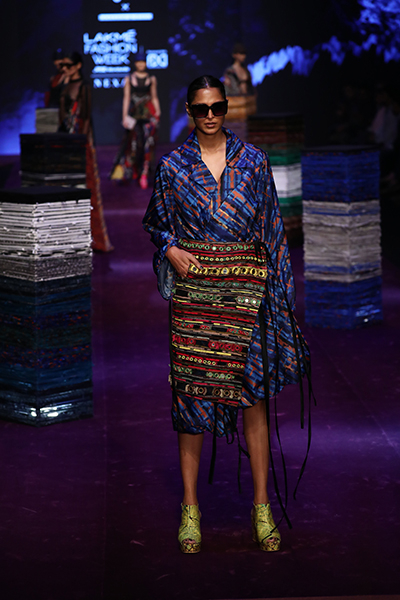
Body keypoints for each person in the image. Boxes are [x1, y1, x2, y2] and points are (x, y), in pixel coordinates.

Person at [142, 75, 311, 554]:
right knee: (191, 398)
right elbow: (157, 221)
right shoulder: (173, 166)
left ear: (227, 106)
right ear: (189, 112)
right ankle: (190, 507)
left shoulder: (253, 161)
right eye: (201, 109)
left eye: (217, 106)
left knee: (253, 395)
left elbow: (273, 230)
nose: (211, 116)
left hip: (248, 294)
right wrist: (169, 247)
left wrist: (280, 299)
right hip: (195, 294)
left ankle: (262, 507)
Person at [59, 51, 113, 252]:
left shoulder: (84, 87)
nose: (65, 69)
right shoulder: (64, 86)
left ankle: (95, 239)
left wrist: (80, 142)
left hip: (81, 143)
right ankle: (70, 237)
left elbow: (87, 117)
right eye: (63, 66)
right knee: (66, 189)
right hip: (64, 141)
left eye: (69, 65)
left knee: (88, 190)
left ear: (78, 66)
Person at [110, 50, 161, 189]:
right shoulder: (129, 79)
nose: (141, 64)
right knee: (132, 144)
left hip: (148, 115)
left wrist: (158, 112)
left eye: (143, 62)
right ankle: (131, 172)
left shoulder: (151, 79)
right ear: (135, 63)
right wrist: (124, 116)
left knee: (148, 144)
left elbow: (154, 97)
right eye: (138, 62)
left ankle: (144, 173)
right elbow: (126, 98)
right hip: (134, 115)